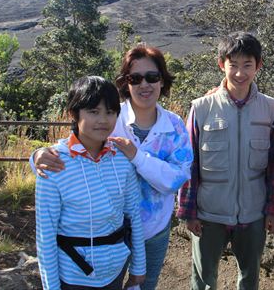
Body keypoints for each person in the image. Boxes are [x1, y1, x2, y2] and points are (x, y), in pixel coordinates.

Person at [33, 45, 194, 290]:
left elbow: (177, 178)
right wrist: (37, 157)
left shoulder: (174, 125)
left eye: (152, 77)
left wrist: (137, 156)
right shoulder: (110, 116)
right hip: (103, 231)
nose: (145, 85)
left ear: (162, 81)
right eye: (135, 78)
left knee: (143, 284)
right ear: (125, 82)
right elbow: (73, 150)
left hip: (153, 229)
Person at [177, 31, 274, 290]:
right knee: (204, 279)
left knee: (250, 278)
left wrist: (272, 208)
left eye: (247, 65)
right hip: (209, 213)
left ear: (259, 65)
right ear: (221, 64)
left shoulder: (270, 109)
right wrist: (188, 212)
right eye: (233, 64)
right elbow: (188, 163)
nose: (239, 72)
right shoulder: (201, 107)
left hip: (254, 211)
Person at [35, 76, 146, 290]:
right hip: (74, 276)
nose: (103, 120)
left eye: (110, 112)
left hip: (115, 270)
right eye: (94, 112)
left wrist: (138, 268)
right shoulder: (54, 164)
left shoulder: (122, 160)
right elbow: (45, 235)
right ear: (73, 114)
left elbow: (134, 215)